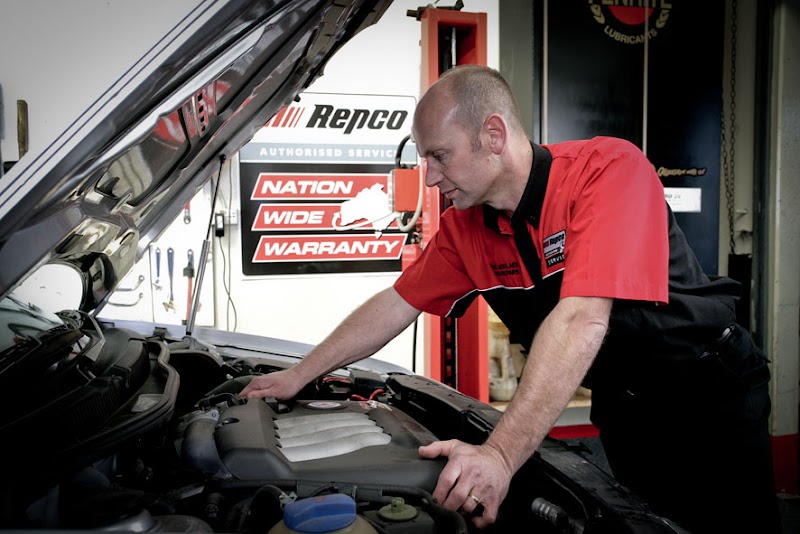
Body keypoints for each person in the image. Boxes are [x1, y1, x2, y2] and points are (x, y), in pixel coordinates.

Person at [241, 65, 780, 533]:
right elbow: (397, 303)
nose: (428, 177)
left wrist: (499, 456)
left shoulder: (605, 171)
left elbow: (581, 321)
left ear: (493, 135)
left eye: (439, 155)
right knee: (645, 523)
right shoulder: (465, 230)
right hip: (627, 401)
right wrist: (298, 374)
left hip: (708, 389)